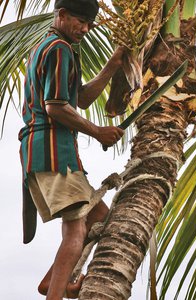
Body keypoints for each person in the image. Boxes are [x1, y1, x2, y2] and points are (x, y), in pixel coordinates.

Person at [18, 0, 124, 299]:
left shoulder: (49, 47)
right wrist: (98, 131)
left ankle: (53, 282)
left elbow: (80, 98)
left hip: (52, 153)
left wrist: (114, 64)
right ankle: (55, 294)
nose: (85, 29)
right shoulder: (59, 49)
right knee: (76, 231)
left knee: (101, 218)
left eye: (89, 24)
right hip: (52, 153)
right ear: (62, 15)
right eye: (80, 21)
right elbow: (56, 108)